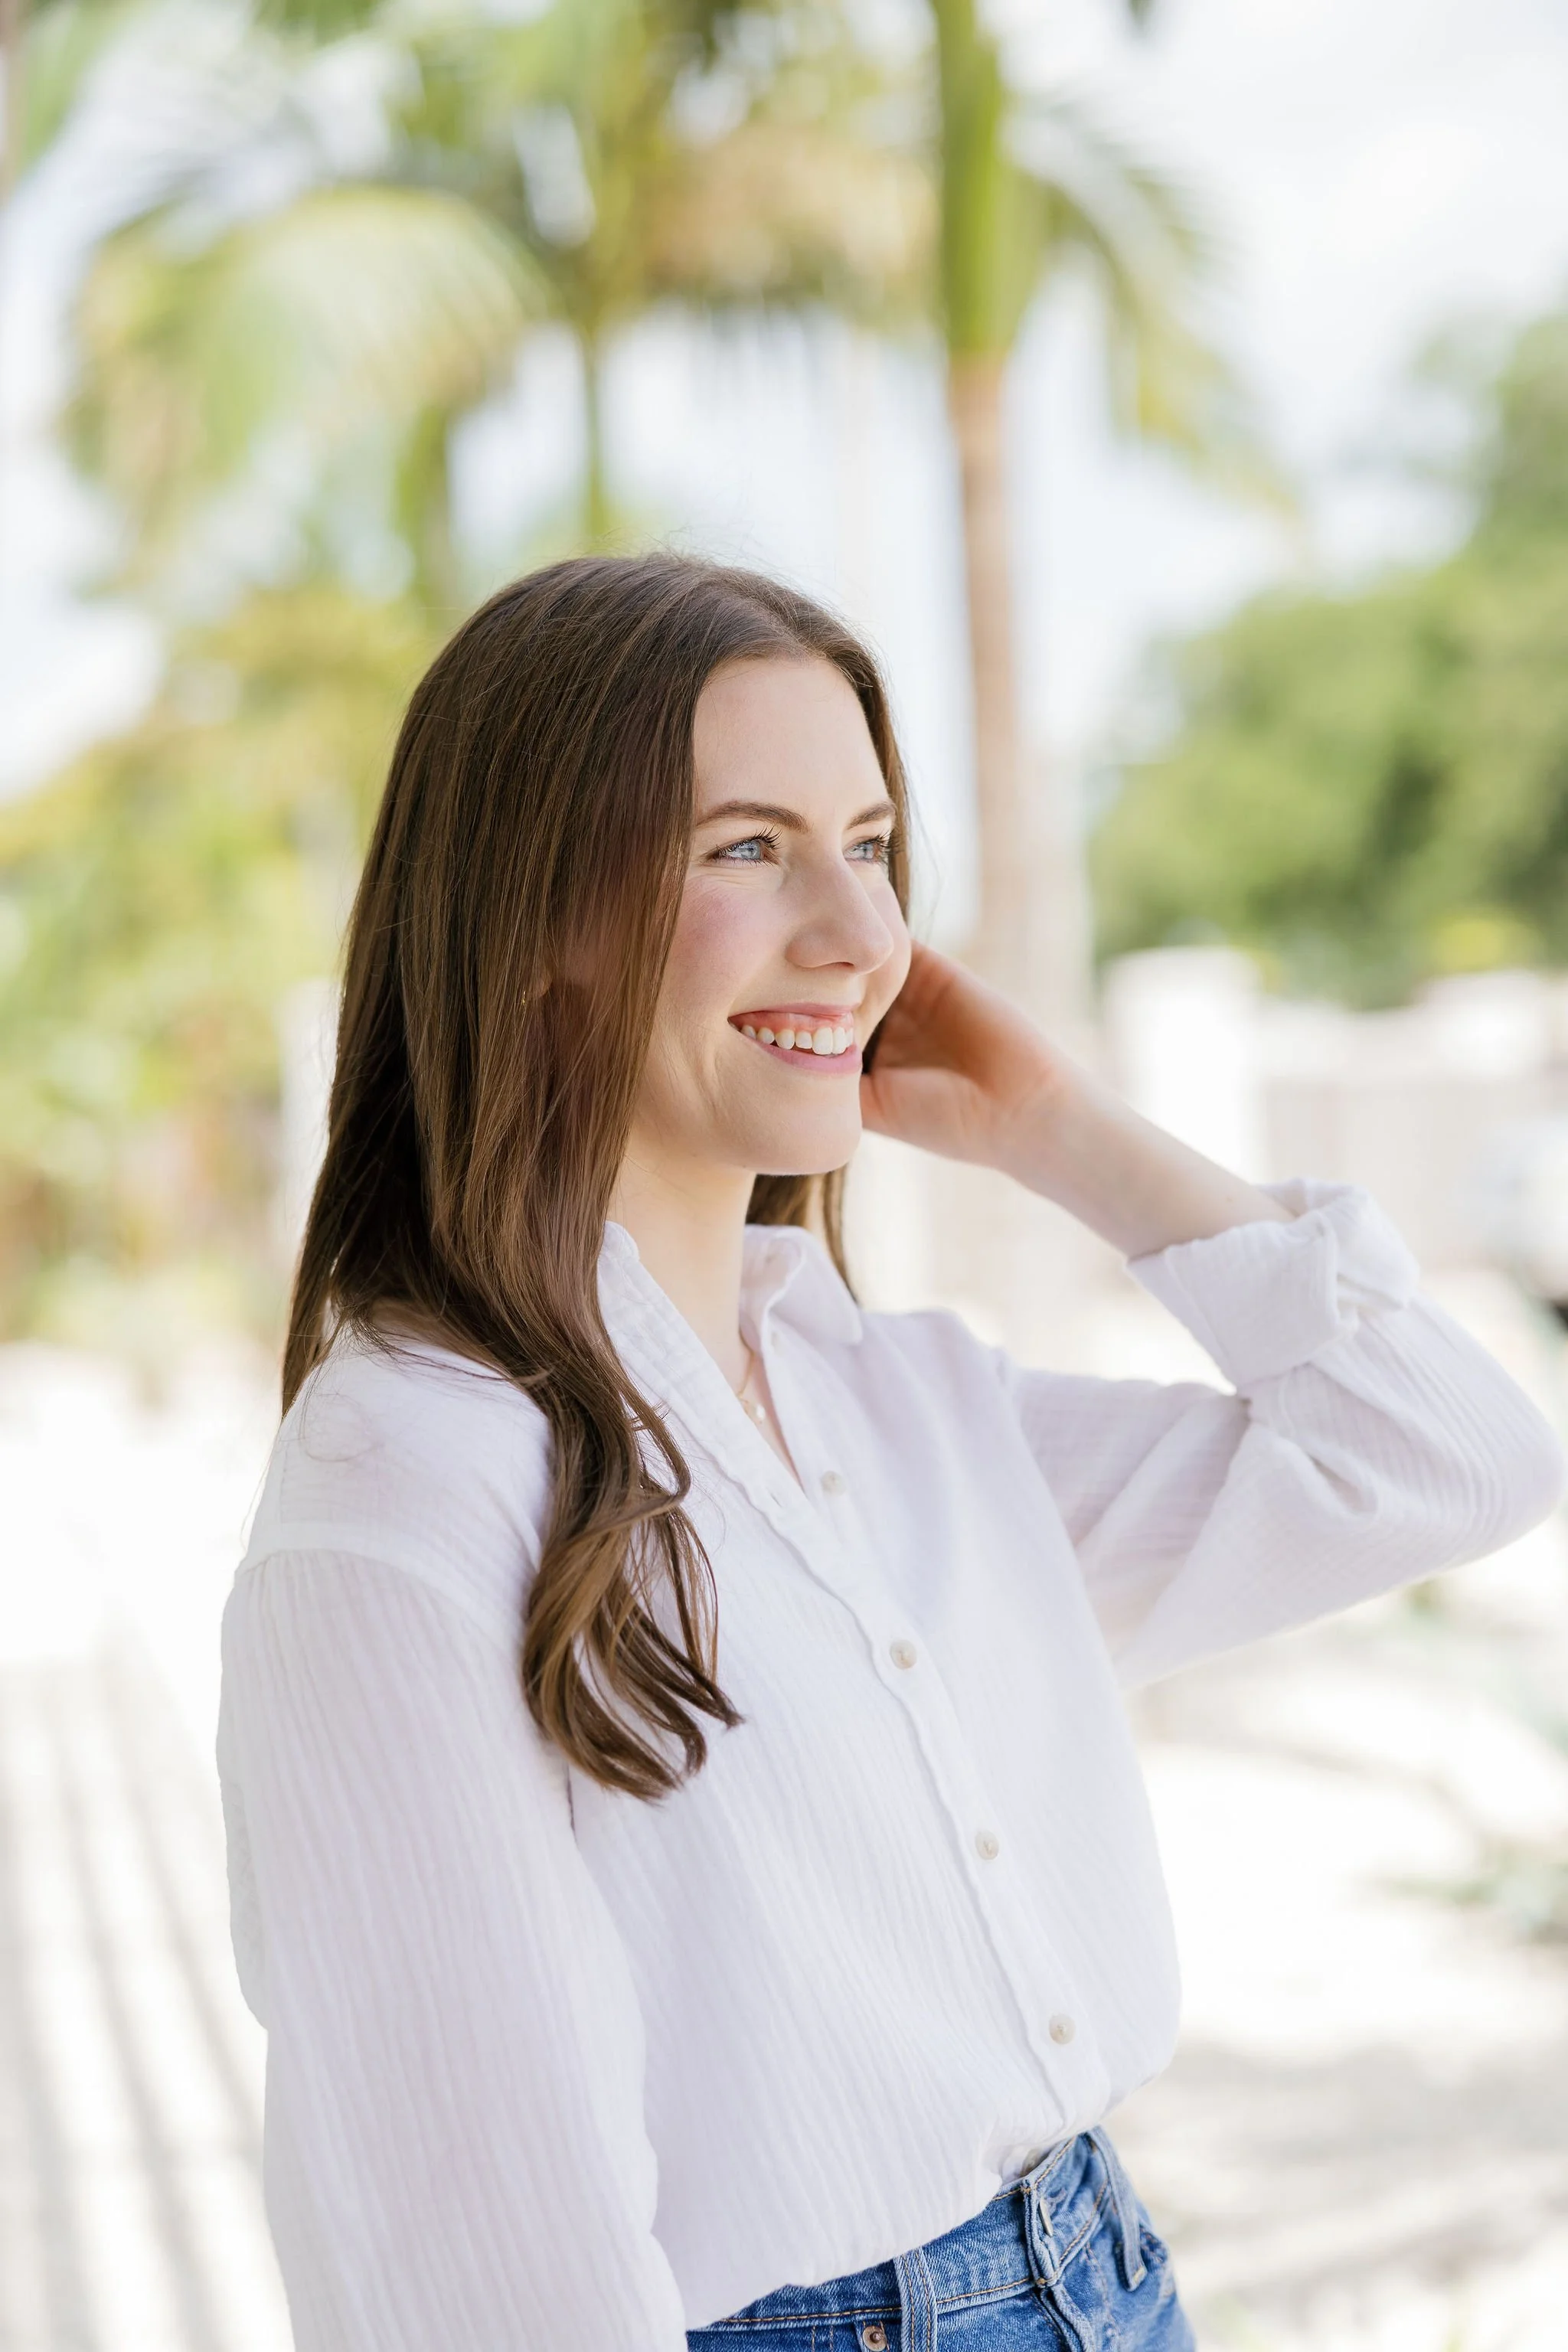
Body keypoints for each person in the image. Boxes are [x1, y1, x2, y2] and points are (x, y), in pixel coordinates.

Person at [217, 554, 1564, 2352]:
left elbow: (1445, 1457)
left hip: (1106, 2276)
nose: (861, 939)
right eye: (746, 848)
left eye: (868, 845)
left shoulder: (900, 1405)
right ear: (531, 917)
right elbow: (472, 2247)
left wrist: (1059, 1128)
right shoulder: (411, 1482)